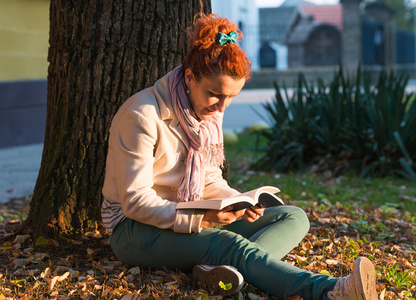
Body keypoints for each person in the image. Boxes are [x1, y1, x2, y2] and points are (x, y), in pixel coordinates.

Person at [101, 12, 378, 300]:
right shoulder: (142, 115)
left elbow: (209, 174)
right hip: (133, 228)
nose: (221, 108)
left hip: (192, 210)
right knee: (228, 242)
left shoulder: (207, 111)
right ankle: (330, 291)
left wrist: (237, 202)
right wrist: (202, 219)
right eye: (215, 95)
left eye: (231, 98)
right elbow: (135, 202)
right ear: (189, 77)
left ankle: (217, 270)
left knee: (293, 217)